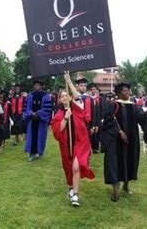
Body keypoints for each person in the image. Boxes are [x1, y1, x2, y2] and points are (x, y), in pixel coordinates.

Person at [100, 82, 147, 202]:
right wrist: (119, 132)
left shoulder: (134, 106)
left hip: (131, 139)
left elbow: (141, 118)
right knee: (114, 163)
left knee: (130, 161)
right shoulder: (113, 105)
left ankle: (126, 185)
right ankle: (116, 190)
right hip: (115, 141)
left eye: (128, 90)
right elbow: (108, 122)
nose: (128, 92)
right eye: (125, 91)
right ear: (119, 93)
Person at [51, 72, 95, 207]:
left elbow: (77, 96)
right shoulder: (59, 114)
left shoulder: (76, 106)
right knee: (69, 169)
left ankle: (75, 194)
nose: (64, 97)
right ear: (59, 100)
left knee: (76, 167)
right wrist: (65, 117)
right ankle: (70, 187)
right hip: (66, 146)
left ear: (70, 97)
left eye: (66, 95)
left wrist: (69, 81)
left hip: (80, 143)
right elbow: (58, 131)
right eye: (62, 96)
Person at [23, 79, 53, 162]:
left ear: (41, 86)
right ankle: (32, 154)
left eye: (38, 85)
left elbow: (47, 109)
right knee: (31, 137)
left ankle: (40, 152)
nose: (36, 86)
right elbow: (26, 108)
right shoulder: (30, 96)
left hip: (41, 121)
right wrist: (31, 113)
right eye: (35, 85)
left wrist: (38, 114)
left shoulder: (46, 96)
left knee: (41, 137)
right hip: (32, 120)